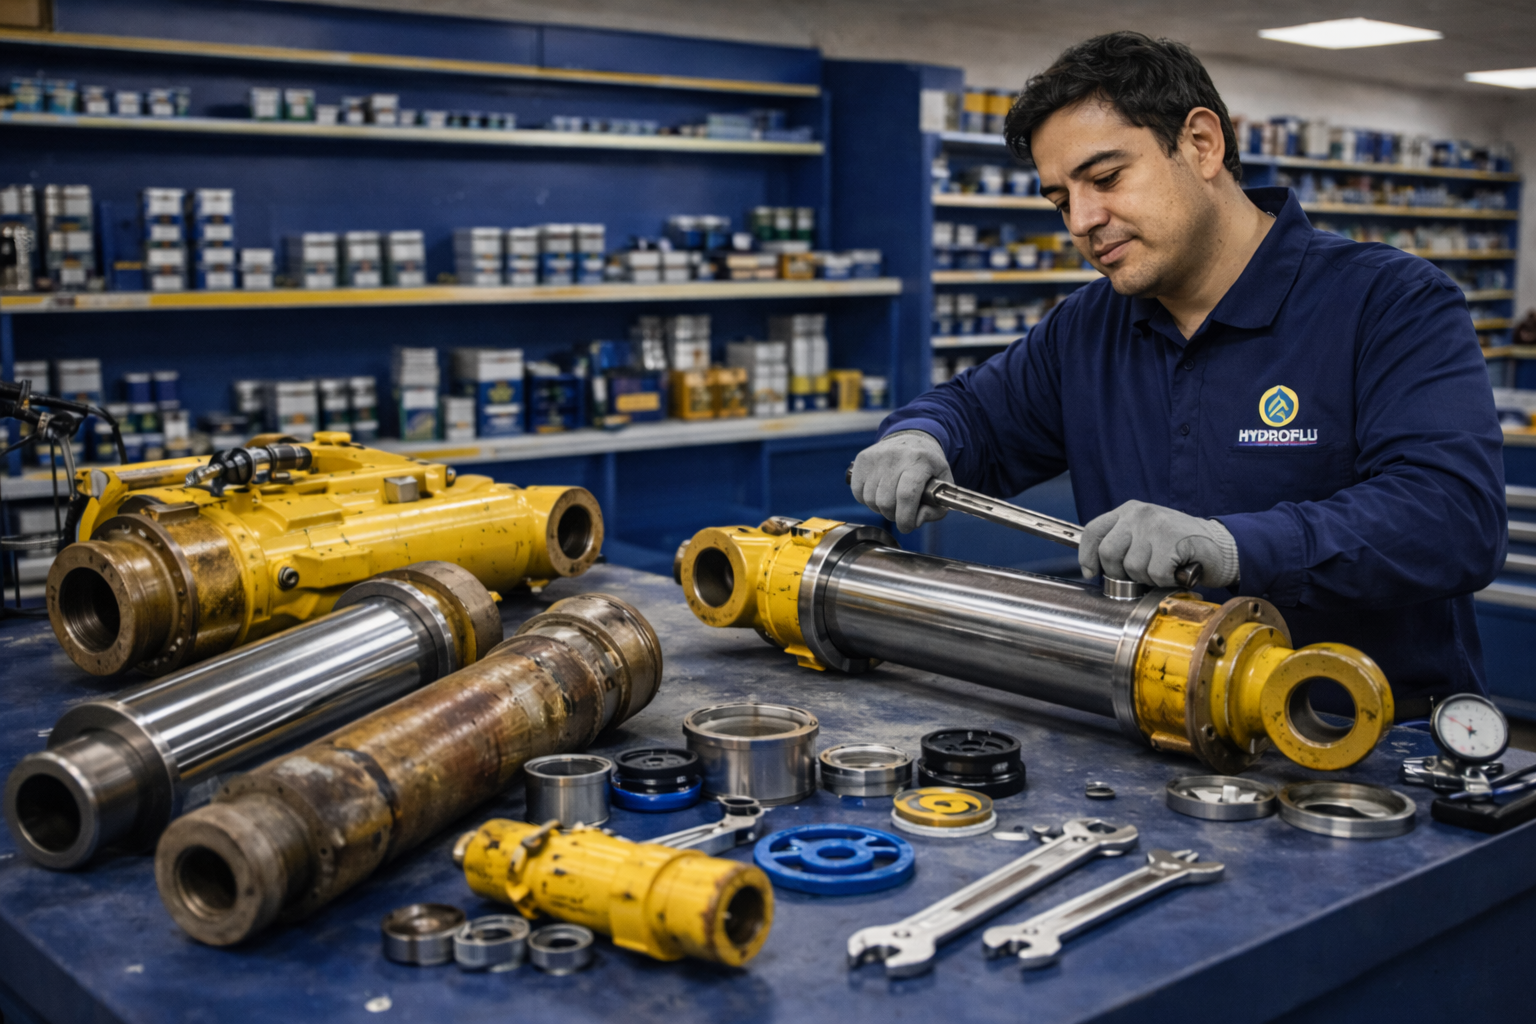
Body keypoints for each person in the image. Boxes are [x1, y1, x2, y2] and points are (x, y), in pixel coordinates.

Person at [849, 31, 1506, 706]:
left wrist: (1233, 548)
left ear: (1201, 144)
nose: (1082, 220)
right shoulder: (1088, 327)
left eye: (1105, 179)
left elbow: (1452, 519)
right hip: (1150, 727)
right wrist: (919, 436)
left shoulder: (1388, 302)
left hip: (1355, 744)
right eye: (1059, 199)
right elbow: (976, 416)